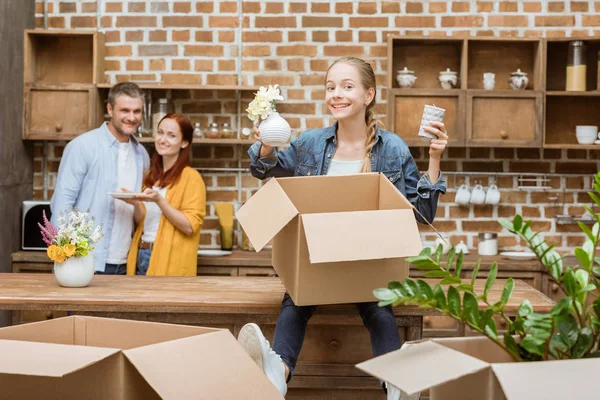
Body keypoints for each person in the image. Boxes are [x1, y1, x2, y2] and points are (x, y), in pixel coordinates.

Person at [237, 57, 448, 400]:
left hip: (368, 262)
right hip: (316, 261)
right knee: (295, 301)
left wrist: (435, 159)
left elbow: (421, 212)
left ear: (368, 95)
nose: (336, 94)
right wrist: (264, 144)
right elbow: (264, 170)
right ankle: (277, 373)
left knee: (379, 306)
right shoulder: (309, 143)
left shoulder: (392, 149)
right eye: (331, 87)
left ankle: (397, 384)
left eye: (347, 87)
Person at [51, 82, 150, 274]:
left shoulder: (142, 155)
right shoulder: (83, 146)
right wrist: (66, 256)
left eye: (137, 111)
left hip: (126, 263)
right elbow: (62, 203)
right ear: (110, 109)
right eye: (125, 110)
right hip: (85, 260)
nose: (132, 117)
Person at [123, 113, 206, 276]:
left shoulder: (191, 178)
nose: (163, 139)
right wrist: (135, 203)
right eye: (160, 132)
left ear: (184, 142)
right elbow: (143, 222)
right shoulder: (151, 176)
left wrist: (159, 201)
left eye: (171, 135)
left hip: (168, 258)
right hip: (141, 253)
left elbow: (190, 227)